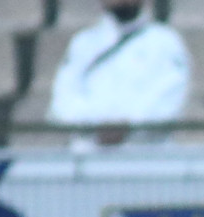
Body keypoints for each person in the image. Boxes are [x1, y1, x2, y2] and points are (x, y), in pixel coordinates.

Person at [47, 0, 191, 147]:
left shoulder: (165, 42)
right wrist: (97, 125)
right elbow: (63, 101)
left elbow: (169, 98)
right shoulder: (83, 43)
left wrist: (128, 127)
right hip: (89, 152)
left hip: (146, 152)